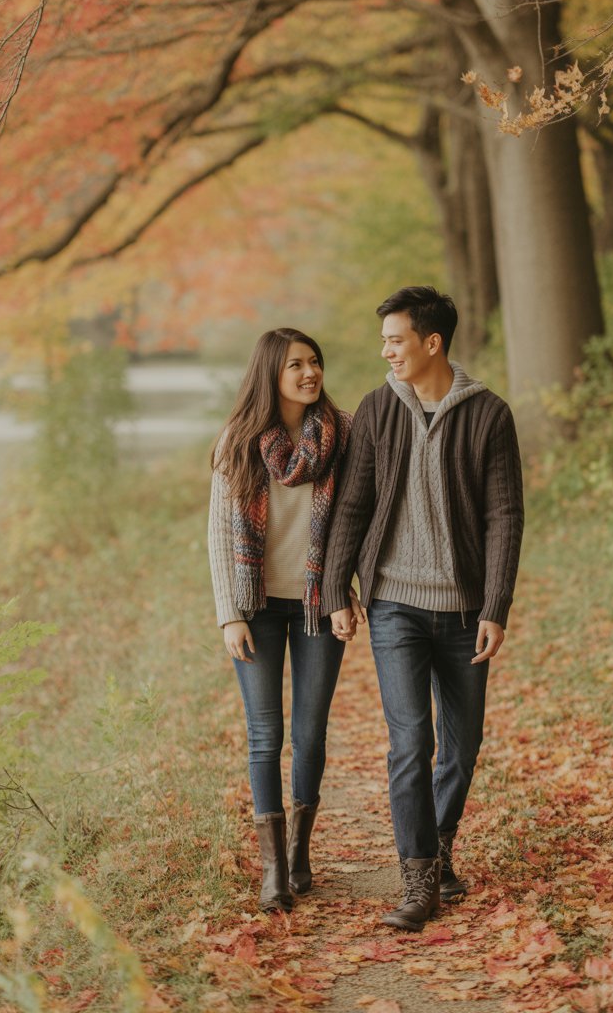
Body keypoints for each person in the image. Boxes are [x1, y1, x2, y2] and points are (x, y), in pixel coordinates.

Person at [322, 286, 524, 931]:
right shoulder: (378, 409)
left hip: (465, 609)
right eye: (383, 340)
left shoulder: (489, 414)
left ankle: (438, 848)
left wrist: (496, 605)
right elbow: (353, 505)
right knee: (411, 741)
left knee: (461, 749)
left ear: (431, 342)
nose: (386, 351)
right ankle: (418, 882)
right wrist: (336, 590)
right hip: (395, 607)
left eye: (395, 339)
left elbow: (504, 516)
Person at [208, 328, 356, 914]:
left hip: (320, 601)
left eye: (315, 361)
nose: (308, 373)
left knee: (310, 732)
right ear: (270, 372)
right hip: (258, 606)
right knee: (265, 734)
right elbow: (220, 536)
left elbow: (354, 522)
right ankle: (272, 871)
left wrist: (349, 591)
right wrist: (229, 616)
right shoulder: (238, 441)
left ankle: (299, 851)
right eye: (295, 364)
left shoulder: (341, 435)